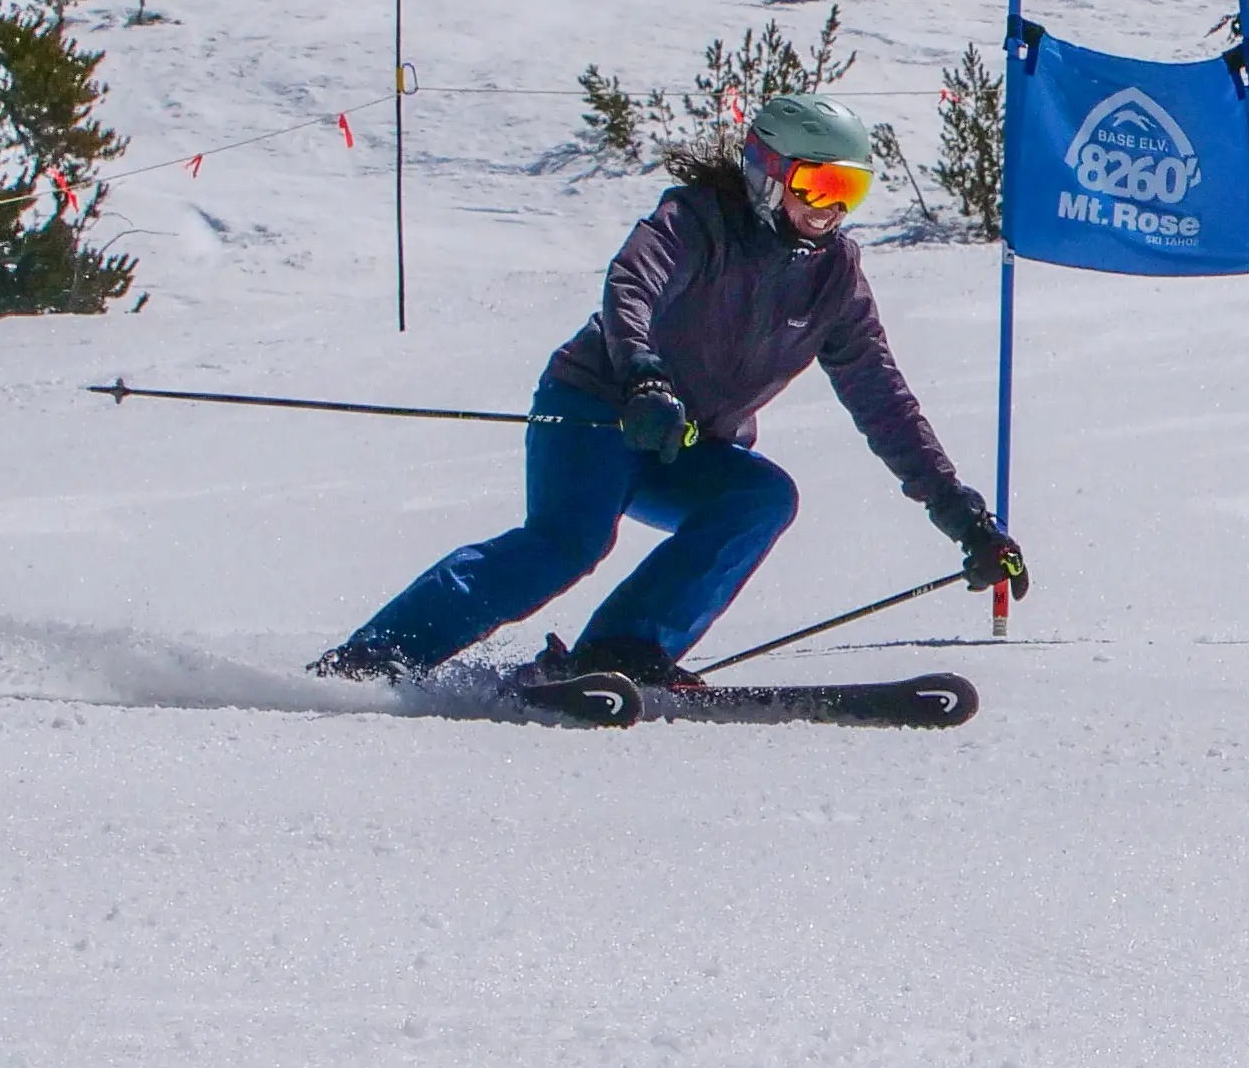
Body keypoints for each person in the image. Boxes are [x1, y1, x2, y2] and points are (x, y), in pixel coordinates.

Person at [312, 86, 1021, 689]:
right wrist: (644, 378)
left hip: (687, 442)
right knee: (567, 543)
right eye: (819, 185)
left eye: (850, 191)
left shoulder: (834, 278)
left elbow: (884, 401)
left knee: (759, 497)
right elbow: (632, 287)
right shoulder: (696, 221)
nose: (831, 210)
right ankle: (375, 659)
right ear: (769, 173)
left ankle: (621, 652)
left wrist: (963, 516)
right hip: (601, 410)